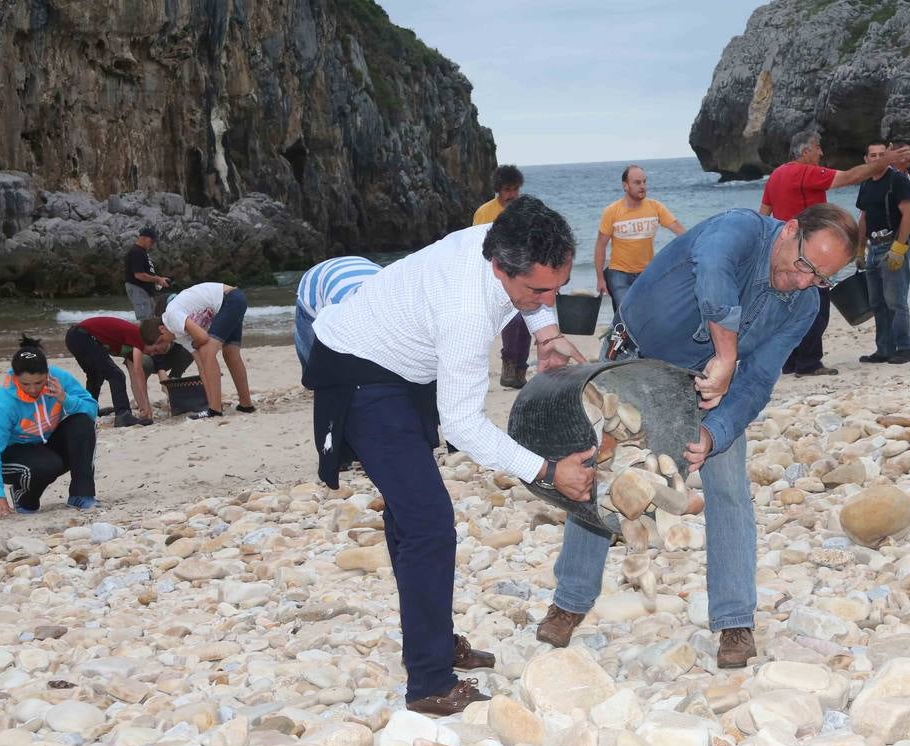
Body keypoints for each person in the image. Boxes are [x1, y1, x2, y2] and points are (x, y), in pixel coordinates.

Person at [305, 196, 594, 716]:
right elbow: (463, 422)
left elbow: (536, 292)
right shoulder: (465, 308)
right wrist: (548, 473)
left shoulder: (500, 245)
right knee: (430, 524)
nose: (549, 297)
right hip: (359, 371)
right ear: (499, 267)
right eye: (536, 291)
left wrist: (545, 334)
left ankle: (433, 641)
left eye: (558, 286)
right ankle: (429, 683)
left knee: (412, 515)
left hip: (406, 361)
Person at [537, 203, 859, 669]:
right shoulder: (740, 228)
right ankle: (568, 603)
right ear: (790, 230)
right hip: (634, 361)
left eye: (822, 277)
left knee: (728, 491)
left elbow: (758, 380)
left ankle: (734, 622)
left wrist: (713, 434)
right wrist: (726, 353)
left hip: (707, 391)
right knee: (595, 475)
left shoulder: (804, 304)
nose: (806, 281)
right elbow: (714, 277)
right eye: (806, 265)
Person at [761, 130, 910, 377]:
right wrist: (886, 160)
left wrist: (766, 250)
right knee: (816, 309)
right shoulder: (805, 172)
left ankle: (790, 362)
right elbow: (850, 176)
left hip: (783, 251)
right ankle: (809, 363)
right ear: (806, 150)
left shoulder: (776, 174)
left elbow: (763, 213)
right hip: (808, 252)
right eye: (818, 147)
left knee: (790, 309)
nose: (821, 152)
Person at [0, 336, 98, 517]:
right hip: (13, 456)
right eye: (26, 384)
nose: (34, 389)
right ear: (15, 377)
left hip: (45, 445)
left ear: (47, 374)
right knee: (46, 466)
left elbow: (91, 410)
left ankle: (81, 494)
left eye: (39, 382)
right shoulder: (3, 402)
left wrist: (64, 398)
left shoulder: (59, 379)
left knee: (82, 422)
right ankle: (24, 498)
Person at [855, 141, 910, 364]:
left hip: (892, 245)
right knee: (877, 303)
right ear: (866, 159)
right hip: (873, 247)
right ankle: (883, 349)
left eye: (881, 154)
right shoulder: (865, 183)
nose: (876, 159)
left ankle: (904, 348)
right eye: (872, 155)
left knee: (895, 300)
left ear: (889, 156)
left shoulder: (897, 180)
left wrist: (899, 248)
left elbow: (908, 214)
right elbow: (863, 218)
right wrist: (859, 249)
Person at [595, 165, 686, 318]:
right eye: (637, 182)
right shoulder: (612, 211)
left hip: (647, 273)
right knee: (628, 315)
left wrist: (696, 247)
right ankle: (617, 340)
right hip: (619, 274)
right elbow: (600, 246)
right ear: (625, 185)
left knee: (651, 316)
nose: (643, 186)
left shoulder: (655, 207)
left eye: (644, 182)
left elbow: (679, 230)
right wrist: (600, 278)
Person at [473, 165, 533, 389]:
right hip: (497, 274)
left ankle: (519, 369)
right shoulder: (484, 213)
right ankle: (509, 364)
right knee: (512, 320)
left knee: (526, 321)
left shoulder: (525, 210)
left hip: (523, 272)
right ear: (498, 190)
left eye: (515, 189)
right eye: (507, 190)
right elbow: (477, 247)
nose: (512, 195)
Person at [160, 282, 254, 419]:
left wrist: (197, 343)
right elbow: (201, 365)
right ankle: (246, 405)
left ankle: (215, 410)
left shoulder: (173, 316)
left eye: (160, 342)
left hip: (228, 299)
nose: (163, 345)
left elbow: (203, 338)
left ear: (161, 329)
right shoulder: (179, 334)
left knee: (207, 351)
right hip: (234, 300)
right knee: (230, 353)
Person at [64, 316, 171, 426]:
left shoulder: (132, 349)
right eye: (155, 350)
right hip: (82, 336)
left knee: (96, 376)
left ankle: (90, 409)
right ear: (156, 341)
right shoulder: (139, 337)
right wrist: (146, 406)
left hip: (75, 336)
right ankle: (123, 414)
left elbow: (136, 380)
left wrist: (143, 407)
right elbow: (138, 371)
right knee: (116, 375)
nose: (152, 354)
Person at [294, 257, 382, 369]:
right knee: (312, 361)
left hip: (359, 272)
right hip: (314, 282)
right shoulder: (337, 309)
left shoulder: (396, 302)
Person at [124, 226, 170, 319]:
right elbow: (139, 275)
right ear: (144, 238)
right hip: (138, 288)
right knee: (145, 319)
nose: (152, 244)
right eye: (152, 241)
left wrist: (160, 279)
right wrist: (158, 280)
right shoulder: (136, 252)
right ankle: (141, 333)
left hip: (145, 291)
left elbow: (147, 272)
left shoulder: (142, 252)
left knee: (152, 317)